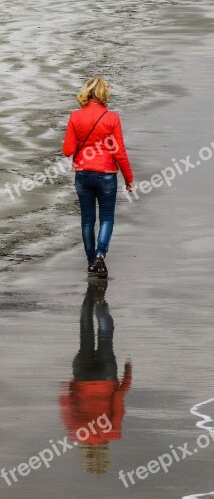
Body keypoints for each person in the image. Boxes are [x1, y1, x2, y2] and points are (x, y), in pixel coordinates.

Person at [62, 77, 134, 277]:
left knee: (87, 220)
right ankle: (100, 255)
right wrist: (129, 178)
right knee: (107, 218)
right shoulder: (112, 118)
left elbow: (68, 150)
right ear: (104, 94)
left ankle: (90, 261)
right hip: (106, 175)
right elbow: (119, 152)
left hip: (83, 174)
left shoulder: (75, 117)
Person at [59, 280, 132, 474]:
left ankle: (100, 303)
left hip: (106, 377)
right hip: (83, 377)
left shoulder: (113, 432)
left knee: (106, 335)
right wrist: (71, 385)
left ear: (105, 454)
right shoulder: (77, 433)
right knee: (85, 332)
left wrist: (128, 376)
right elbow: (67, 403)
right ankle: (90, 298)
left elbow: (117, 399)